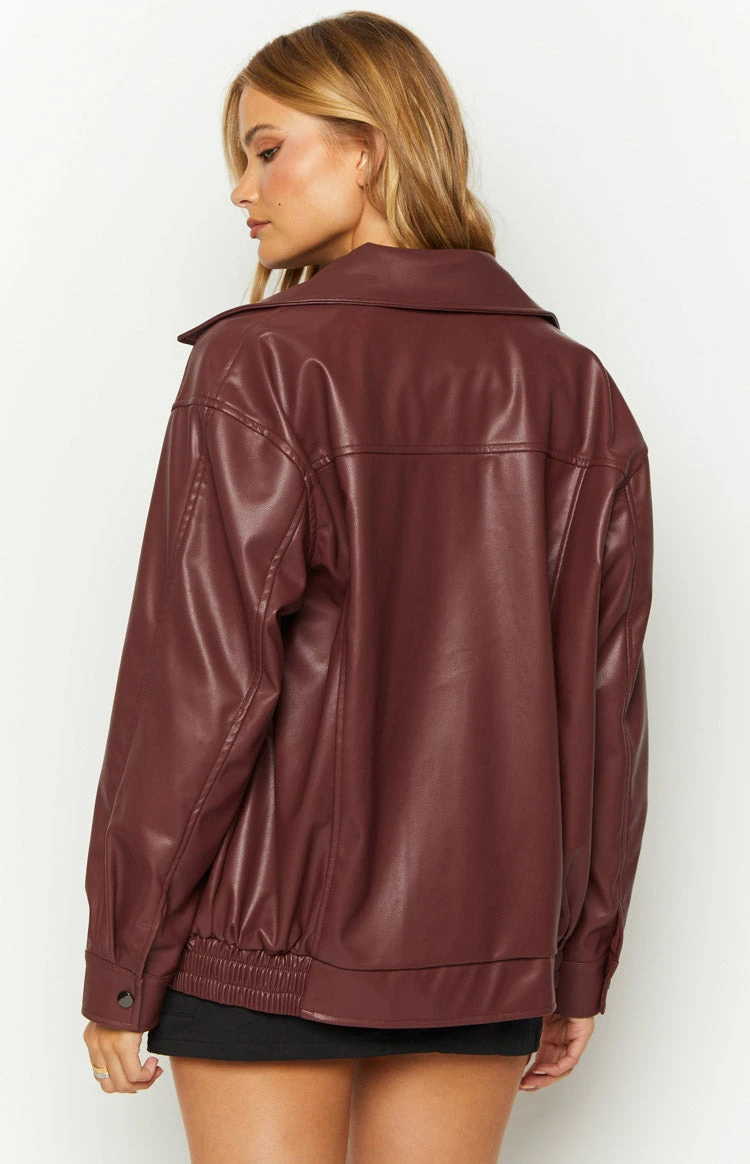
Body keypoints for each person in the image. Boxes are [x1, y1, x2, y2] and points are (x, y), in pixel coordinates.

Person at [80, 11, 654, 1163]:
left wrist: (125, 959)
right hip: (485, 946)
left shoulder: (261, 363)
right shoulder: (575, 388)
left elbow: (202, 690)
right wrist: (577, 957)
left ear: (370, 148)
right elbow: (606, 714)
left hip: (264, 944)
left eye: (266, 149)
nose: (243, 190)